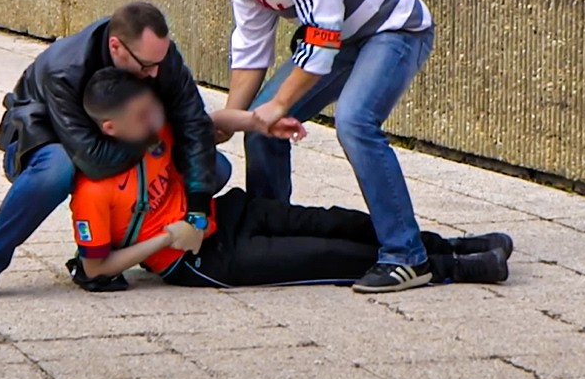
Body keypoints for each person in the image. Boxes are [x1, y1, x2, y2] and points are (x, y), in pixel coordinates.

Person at [182, 0, 439, 293]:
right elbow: (250, 49)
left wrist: (281, 103)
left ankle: (407, 256)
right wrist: (235, 118)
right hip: (341, 41)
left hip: (393, 30)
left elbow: (322, 33)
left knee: (355, 123)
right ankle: (272, 235)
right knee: (259, 126)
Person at [66, 68, 512, 291]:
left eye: (152, 109)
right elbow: (96, 267)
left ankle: (448, 244)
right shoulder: (93, 191)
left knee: (337, 220)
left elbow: (209, 120)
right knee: (331, 256)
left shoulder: (152, 128)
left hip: (231, 213)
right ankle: (459, 269)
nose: (155, 120)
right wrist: (167, 240)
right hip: (203, 261)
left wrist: (260, 123)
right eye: (142, 116)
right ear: (109, 127)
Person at [0, 2, 224, 302]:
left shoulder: (156, 56)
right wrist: (152, 136)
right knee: (56, 171)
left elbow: (193, 125)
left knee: (214, 168)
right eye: (146, 67)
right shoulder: (64, 69)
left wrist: (197, 209)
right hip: (44, 134)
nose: (156, 73)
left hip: (122, 133)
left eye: (161, 61)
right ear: (116, 47)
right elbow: (92, 160)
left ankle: (114, 249)